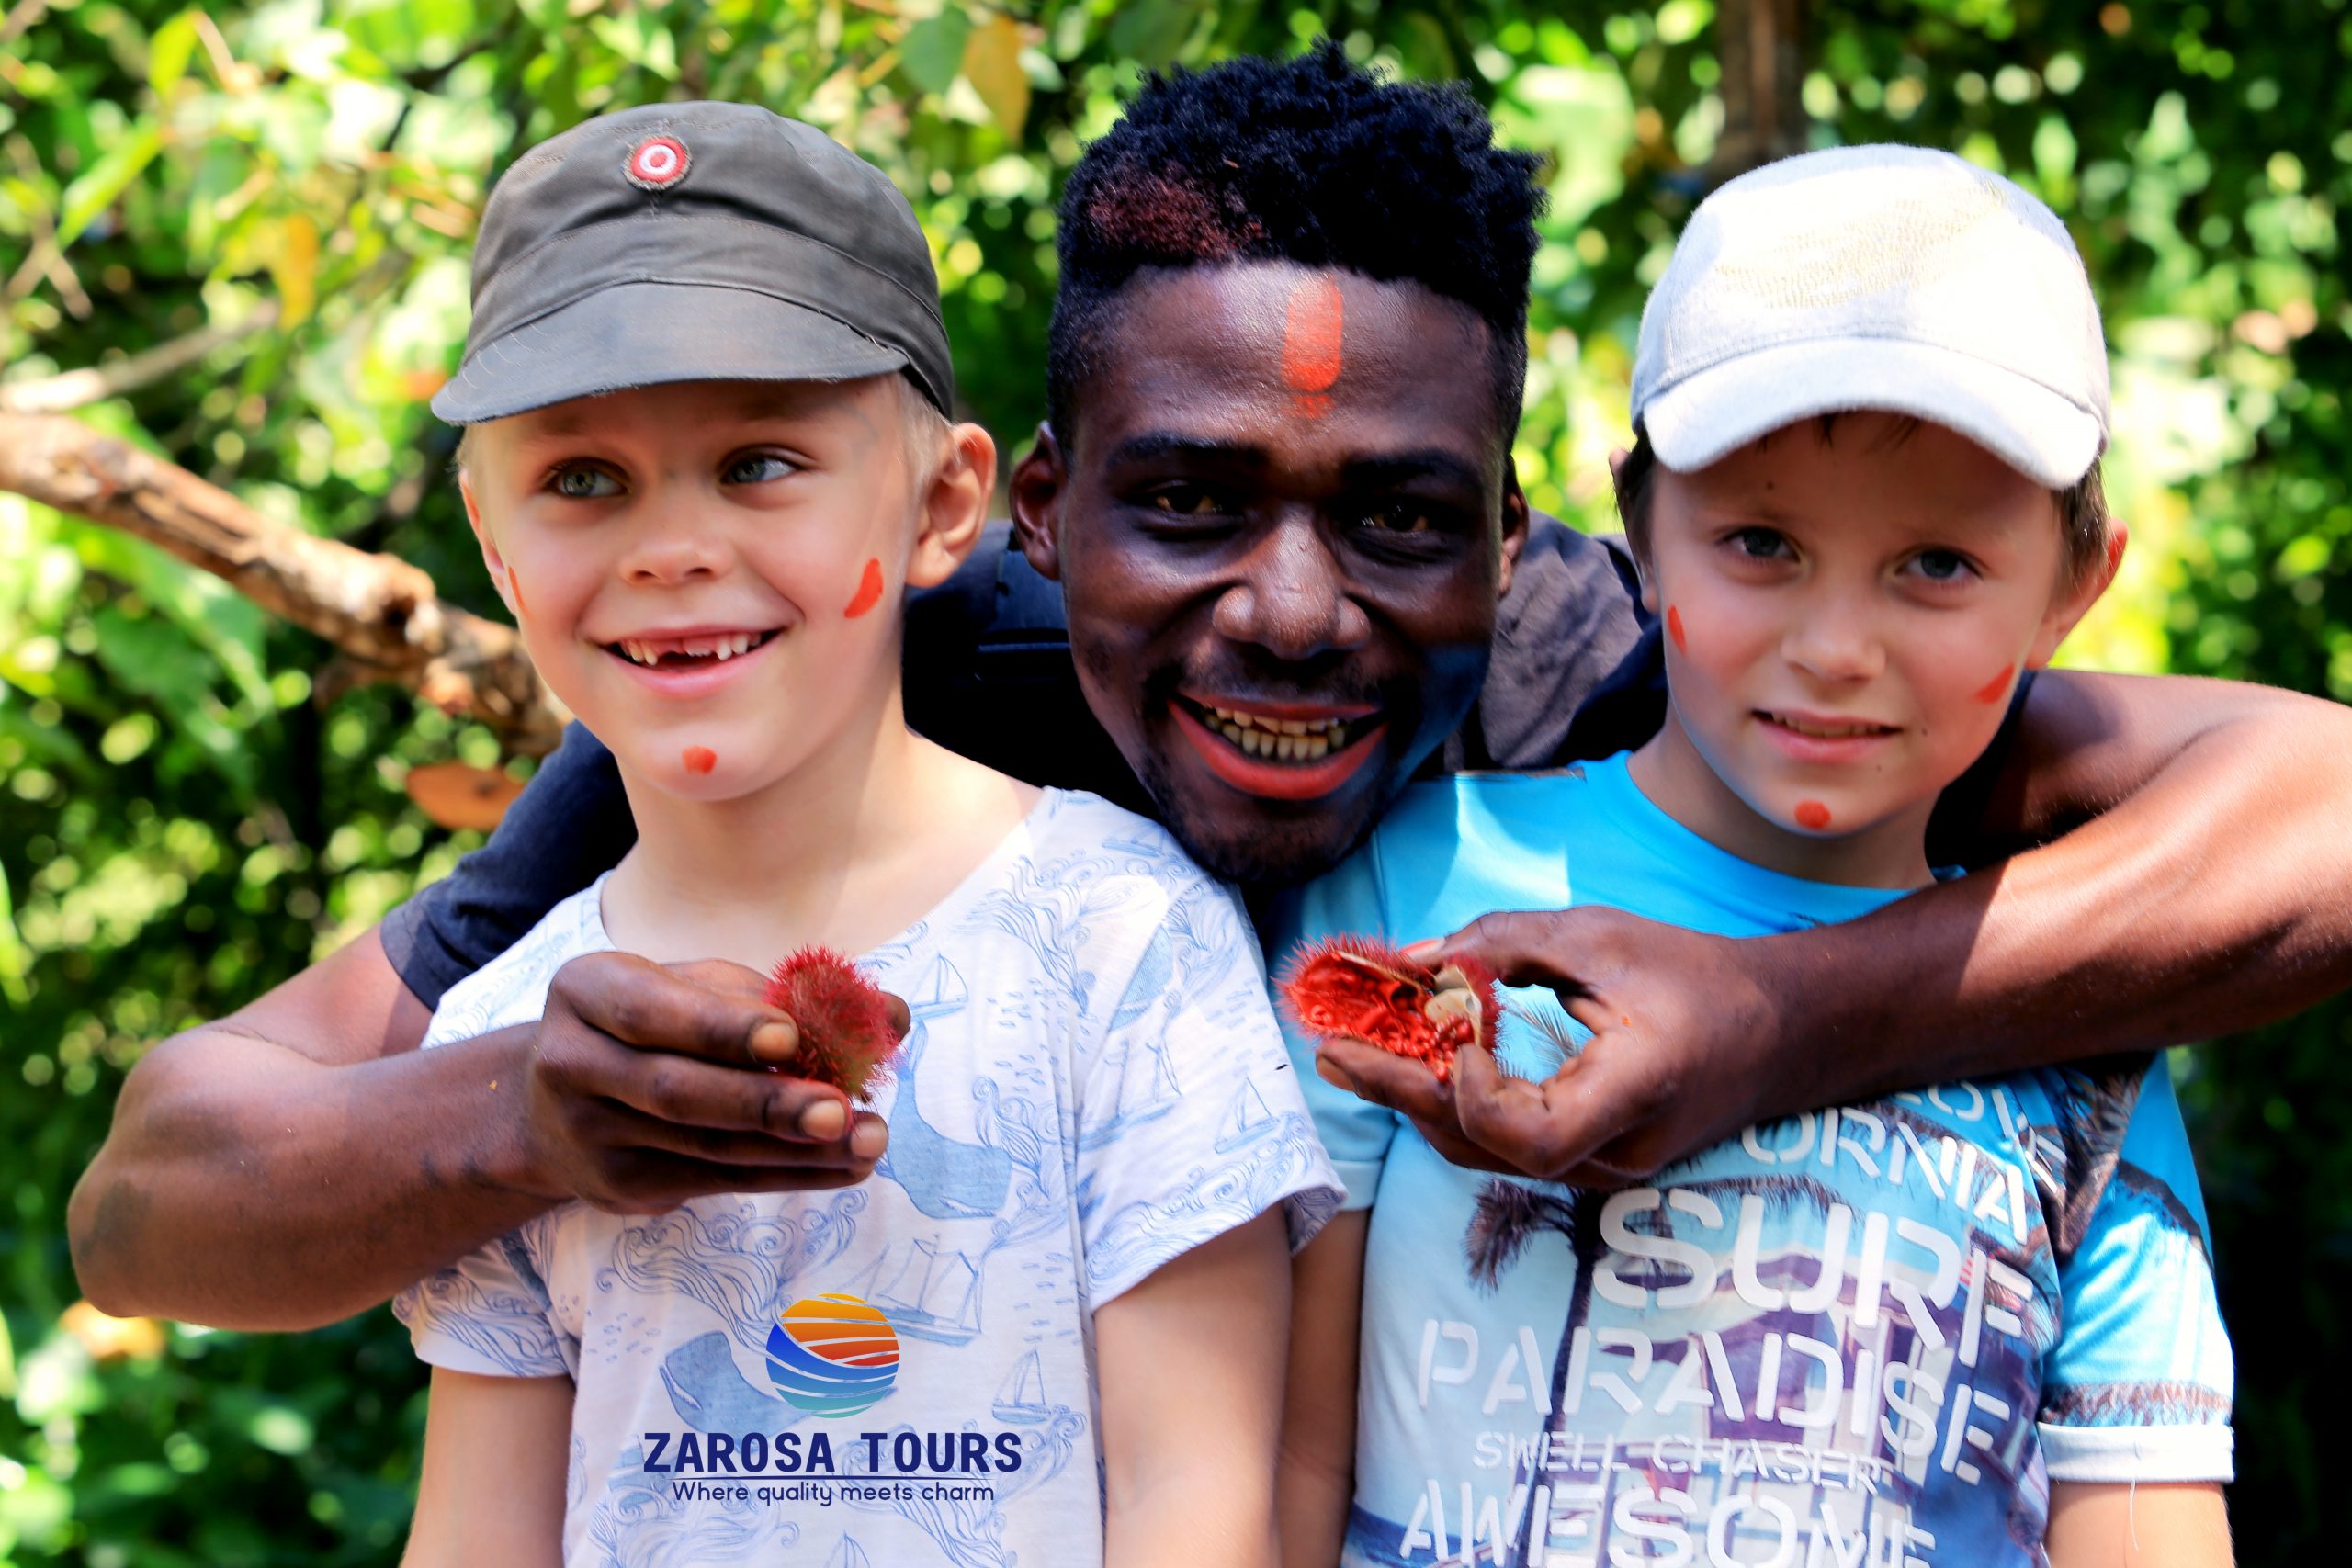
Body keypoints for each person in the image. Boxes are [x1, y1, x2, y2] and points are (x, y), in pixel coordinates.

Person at [68, 48, 2352, 1335]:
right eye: (1187, 502)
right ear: (1031, 509)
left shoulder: (1620, 683)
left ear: (1512, 529)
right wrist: (520, 1114)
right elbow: (157, 1191)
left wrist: (1781, 1016)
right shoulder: (867, 711)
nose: (1291, 611)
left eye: (1396, 516)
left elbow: (2314, 804)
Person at [383, 102, 1339, 1567]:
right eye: (581, 480)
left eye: (760, 461)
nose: (671, 547)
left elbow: (1197, 1509)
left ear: (944, 502)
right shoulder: (504, 1040)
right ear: (494, 545)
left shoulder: (1122, 943)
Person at [1277, 147, 2234, 1568]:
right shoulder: (1410, 890)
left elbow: (2144, 1515)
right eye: (1761, 542)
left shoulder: (2078, 1024)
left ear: (2074, 586)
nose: (1836, 647)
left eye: (1938, 565)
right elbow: (1290, 1459)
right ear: (1644, 532)